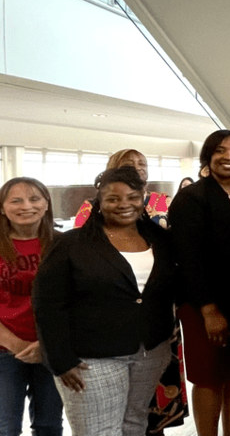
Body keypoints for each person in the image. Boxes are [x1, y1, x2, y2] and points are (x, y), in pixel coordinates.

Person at [34, 166, 177, 436]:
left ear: (142, 198)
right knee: (97, 431)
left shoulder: (160, 239)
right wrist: (60, 359)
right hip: (91, 357)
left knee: (134, 425)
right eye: (113, 198)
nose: (123, 204)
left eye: (132, 197)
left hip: (149, 352)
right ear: (99, 201)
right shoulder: (71, 243)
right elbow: (47, 303)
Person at [169, 130, 230, 436]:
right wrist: (208, 310)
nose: (229, 157)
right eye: (221, 151)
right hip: (203, 304)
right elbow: (187, 258)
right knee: (208, 377)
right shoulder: (191, 197)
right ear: (208, 156)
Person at [0, 178, 62, 436]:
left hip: (52, 349)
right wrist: (15, 344)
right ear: (2, 208)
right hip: (4, 350)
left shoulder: (63, 245)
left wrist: (46, 344)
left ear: (46, 204)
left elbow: (75, 301)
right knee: (6, 427)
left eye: (35, 199)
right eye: (16, 200)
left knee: (49, 425)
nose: (27, 206)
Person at [74, 148, 171, 228]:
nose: (137, 168)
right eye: (129, 165)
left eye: (142, 164)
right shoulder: (91, 207)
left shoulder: (164, 200)